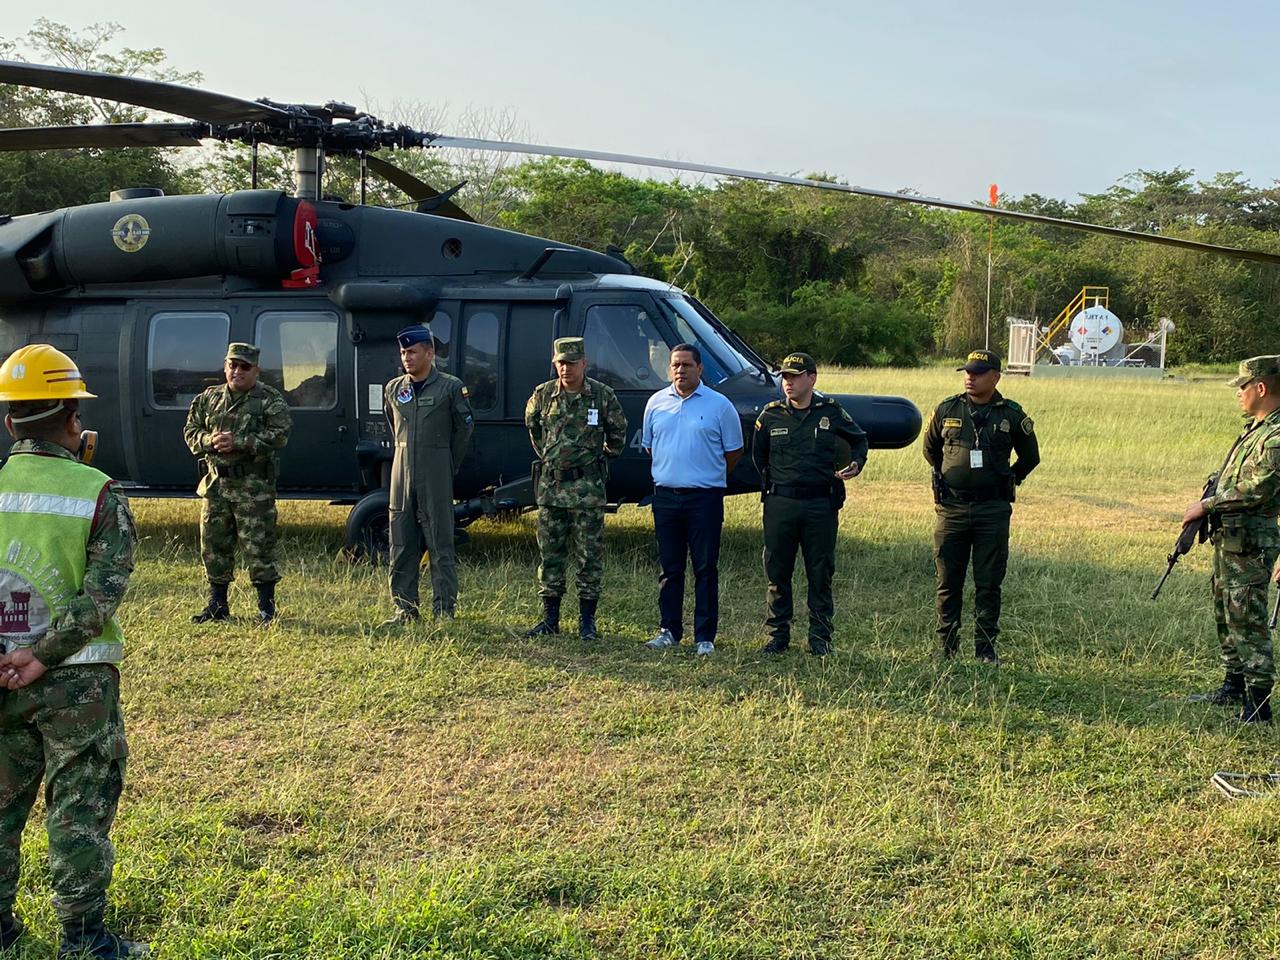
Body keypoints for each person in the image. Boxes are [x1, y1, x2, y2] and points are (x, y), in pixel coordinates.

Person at [0, 345, 148, 958]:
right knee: (78, 806)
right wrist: (46, 652)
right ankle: (84, 940)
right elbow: (102, 592)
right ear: (69, 418)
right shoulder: (97, 492)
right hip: (76, 682)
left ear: (10, 422)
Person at [922, 349, 1039, 662]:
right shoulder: (948, 408)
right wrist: (953, 476)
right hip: (953, 509)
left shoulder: (1011, 414)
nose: (970, 377)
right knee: (948, 581)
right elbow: (930, 449)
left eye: (978, 372)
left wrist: (1008, 479)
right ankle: (946, 649)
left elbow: (1030, 457)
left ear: (995, 377)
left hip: (992, 510)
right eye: (967, 372)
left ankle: (985, 650)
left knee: (988, 583)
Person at [1184, 355, 1280, 723]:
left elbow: (1259, 487)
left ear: (1261, 387)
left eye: (1242, 386)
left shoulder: (1275, 436)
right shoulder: (1255, 429)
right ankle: (1233, 683)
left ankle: (1257, 703)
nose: (1238, 393)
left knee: (1247, 617)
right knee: (1226, 610)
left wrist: (1207, 505)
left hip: (1253, 542)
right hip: (1232, 537)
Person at [752, 352, 868, 656]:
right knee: (777, 570)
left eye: (794, 376)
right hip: (781, 503)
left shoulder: (830, 411)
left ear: (811, 379)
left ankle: (820, 638)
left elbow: (859, 440)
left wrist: (857, 463)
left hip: (820, 504)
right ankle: (778, 636)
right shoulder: (770, 415)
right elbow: (758, 457)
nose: (788, 383)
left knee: (820, 572)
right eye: (785, 377)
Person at [642, 344, 744, 656]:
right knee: (670, 568)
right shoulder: (656, 403)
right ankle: (669, 630)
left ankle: (704, 637)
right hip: (666, 498)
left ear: (700, 368)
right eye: (675, 365)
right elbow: (650, 447)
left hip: (705, 499)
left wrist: (704, 474)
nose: (680, 370)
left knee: (705, 567)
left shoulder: (720, 406)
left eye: (687, 365)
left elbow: (734, 452)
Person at [523, 337, 628, 640]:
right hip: (551, 489)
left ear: (584, 363)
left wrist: (598, 459)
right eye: (561, 363)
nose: (566, 369)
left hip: (587, 490)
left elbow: (618, 433)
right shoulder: (543, 395)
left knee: (588, 557)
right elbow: (533, 429)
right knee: (550, 556)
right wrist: (551, 457)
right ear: (555, 364)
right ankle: (549, 619)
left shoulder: (601, 395)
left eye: (572, 362)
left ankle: (587, 622)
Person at [184, 343, 293, 625]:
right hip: (216, 485)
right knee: (213, 545)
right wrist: (209, 441)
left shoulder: (269, 399)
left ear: (256, 370)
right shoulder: (209, 398)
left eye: (244, 367)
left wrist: (241, 442)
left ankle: (266, 609)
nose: (237, 371)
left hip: (252, 488)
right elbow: (191, 430)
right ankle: (217, 604)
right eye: (232, 365)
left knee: (258, 547)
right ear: (225, 367)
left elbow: (280, 434)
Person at [382, 324, 474, 624]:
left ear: (430, 353)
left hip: (435, 474)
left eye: (412, 352)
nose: (406, 358)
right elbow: (395, 427)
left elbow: (463, 430)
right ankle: (404, 609)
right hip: (401, 474)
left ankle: (444, 610)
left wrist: (445, 463)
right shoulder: (395, 388)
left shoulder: (450, 387)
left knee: (440, 543)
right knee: (400, 543)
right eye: (403, 352)